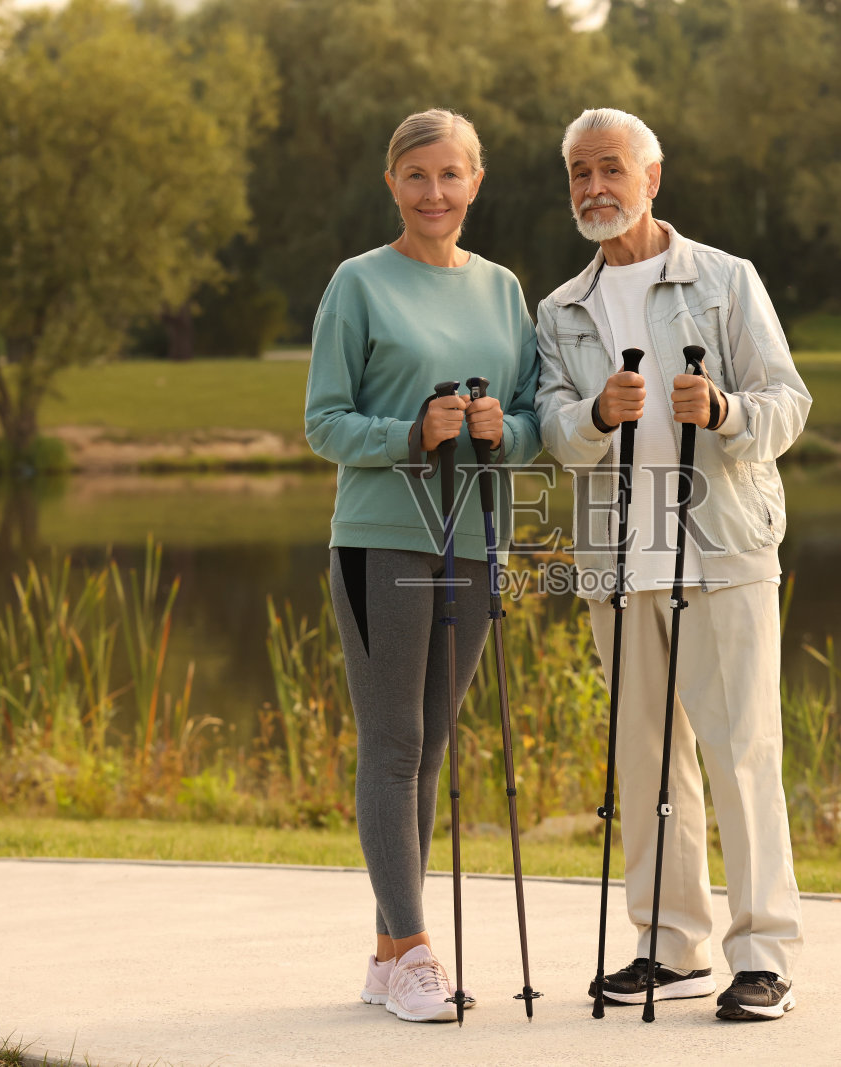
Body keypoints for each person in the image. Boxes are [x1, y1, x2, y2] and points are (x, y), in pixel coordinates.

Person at [535, 108, 811, 1021]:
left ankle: (764, 951)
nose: (594, 188)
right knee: (645, 760)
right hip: (617, 560)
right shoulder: (561, 308)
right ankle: (669, 942)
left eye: (610, 168)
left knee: (742, 752)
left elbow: (788, 403)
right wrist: (596, 416)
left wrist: (726, 409)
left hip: (723, 552)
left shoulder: (727, 280)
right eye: (579, 172)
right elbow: (555, 434)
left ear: (653, 177)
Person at [304, 108, 541, 1024]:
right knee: (393, 742)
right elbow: (323, 422)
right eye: (416, 176)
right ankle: (414, 952)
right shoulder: (357, 284)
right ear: (392, 184)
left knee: (432, 748)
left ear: (475, 182)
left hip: (475, 540)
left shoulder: (503, 290)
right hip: (379, 539)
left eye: (450, 175)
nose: (434, 193)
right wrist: (411, 432)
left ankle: (384, 954)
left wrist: (499, 429)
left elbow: (527, 417)